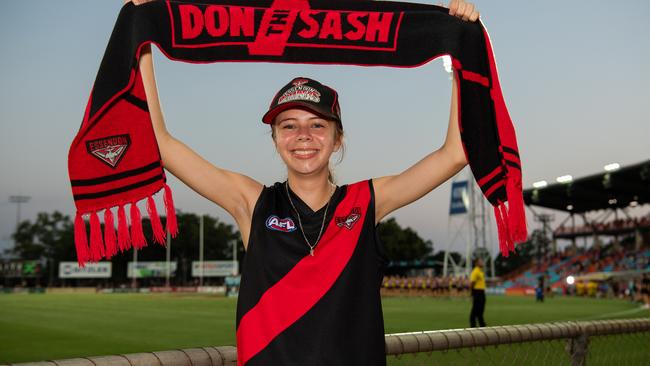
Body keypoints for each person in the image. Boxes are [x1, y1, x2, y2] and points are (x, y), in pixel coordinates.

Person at [129, 0, 479, 363]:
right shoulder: (252, 202)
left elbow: (455, 153)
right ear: (275, 139)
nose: (303, 136)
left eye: (317, 125)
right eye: (289, 126)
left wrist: (459, 57)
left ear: (337, 138)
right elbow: (160, 143)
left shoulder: (367, 200)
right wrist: (142, 39)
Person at [469, 257, 487, 327]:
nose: (482, 262)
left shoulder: (480, 271)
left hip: (481, 292)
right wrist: (472, 293)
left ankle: (482, 326)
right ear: (476, 263)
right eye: (480, 261)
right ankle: (473, 326)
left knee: (480, 311)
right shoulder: (475, 271)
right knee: (475, 311)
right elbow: (472, 283)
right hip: (477, 292)